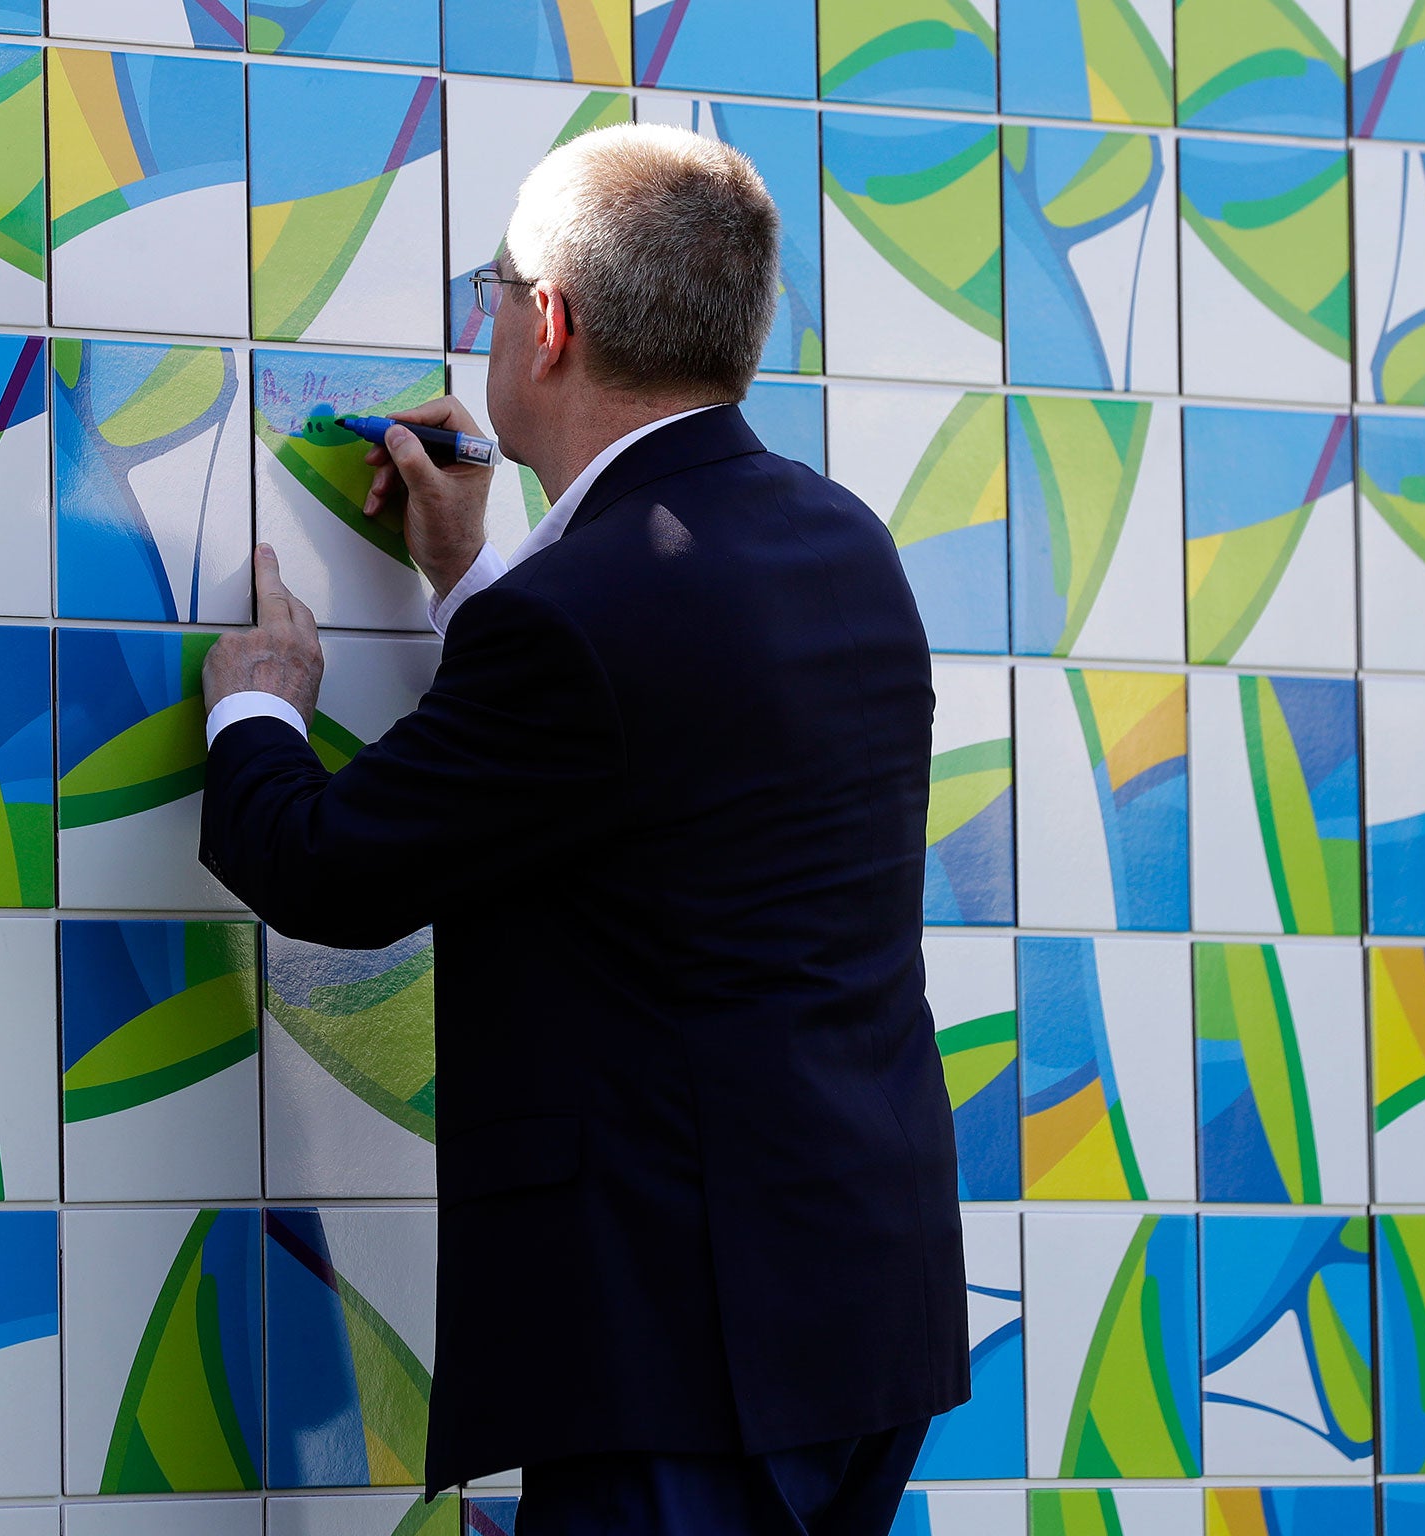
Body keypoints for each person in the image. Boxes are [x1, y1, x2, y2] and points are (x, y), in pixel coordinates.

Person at [198, 123, 967, 1536]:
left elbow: (328, 871)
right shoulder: (843, 541)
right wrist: (474, 577)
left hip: (681, 1348)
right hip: (864, 1310)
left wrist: (258, 709)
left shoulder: (586, 616)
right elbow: (655, 758)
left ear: (545, 323)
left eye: (488, 291)